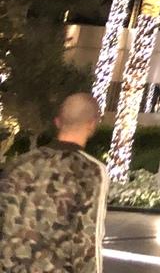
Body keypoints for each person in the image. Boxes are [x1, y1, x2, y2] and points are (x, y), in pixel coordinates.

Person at [0, 92, 107, 273]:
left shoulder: (19, 164)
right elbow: (87, 241)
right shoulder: (89, 171)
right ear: (92, 124)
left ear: (58, 122)